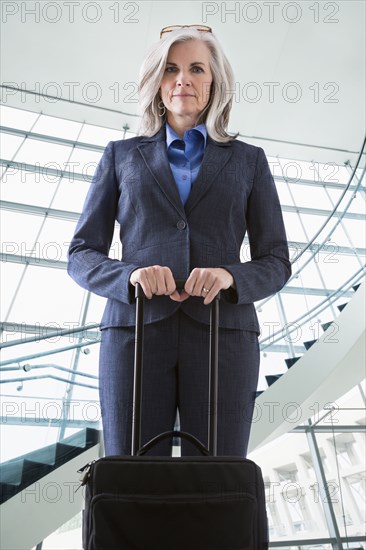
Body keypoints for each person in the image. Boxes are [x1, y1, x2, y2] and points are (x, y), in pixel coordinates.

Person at [67, 24, 291, 457]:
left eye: (196, 68)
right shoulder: (121, 155)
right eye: (170, 69)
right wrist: (129, 275)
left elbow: (276, 260)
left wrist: (230, 276)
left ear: (215, 81)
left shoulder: (249, 161)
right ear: (157, 81)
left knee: (216, 478)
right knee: (132, 476)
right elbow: (80, 254)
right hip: (134, 334)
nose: (183, 79)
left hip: (223, 337)